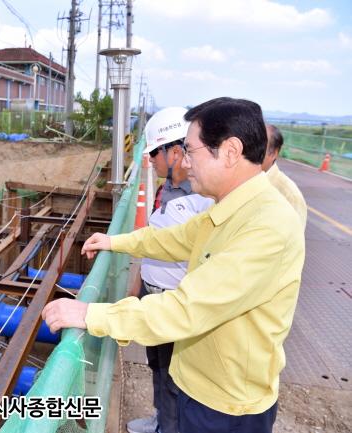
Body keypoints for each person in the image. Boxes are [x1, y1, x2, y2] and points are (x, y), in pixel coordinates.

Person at [41, 97, 305, 433]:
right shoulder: (230, 209)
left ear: (230, 152)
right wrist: (115, 242)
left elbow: (186, 309)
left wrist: (91, 314)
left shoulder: (266, 226)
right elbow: (173, 239)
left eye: (191, 150)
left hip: (225, 407)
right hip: (197, 383)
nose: (186, 161)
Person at [126, 107, 213, 433]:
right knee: (158, 365)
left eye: (154, 153)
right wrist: (139, 284)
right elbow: (155, 240)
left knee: (175, 375)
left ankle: (171, 427)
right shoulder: (166, 188)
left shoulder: (202, 198)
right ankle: (161, 419)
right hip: (154, 294)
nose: (151, 160)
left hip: (176, 302)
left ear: (175, 152)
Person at [262, 124, 307, 230]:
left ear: (274, 153)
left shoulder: (289, 195)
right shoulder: (238, 180)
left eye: (258, 147)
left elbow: (294, 236)